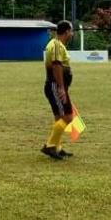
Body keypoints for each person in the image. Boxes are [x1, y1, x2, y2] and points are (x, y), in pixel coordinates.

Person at [42, 21, 76, 160]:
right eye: (71, 31)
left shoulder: (58, 45)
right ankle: (50, 146)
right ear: (67, 31)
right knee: (68, 117)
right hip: (56, 86)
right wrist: (61, 88)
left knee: (59, 118)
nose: (72, 34)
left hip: (56, 86)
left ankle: (57, 147)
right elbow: (56, 66)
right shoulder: (56, 44)